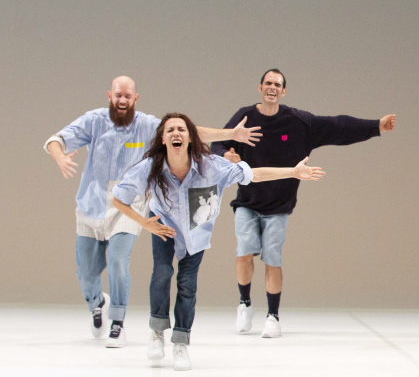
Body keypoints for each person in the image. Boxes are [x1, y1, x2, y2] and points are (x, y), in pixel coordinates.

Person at [45, 76, 260, 348]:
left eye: (128, 96)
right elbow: (57, 140)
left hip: (129, 205)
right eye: (118, 95)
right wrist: (60, 157)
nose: (122, 100)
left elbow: (188, 132)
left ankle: (118, 323)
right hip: (92, 203)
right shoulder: (94, 121)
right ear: (110, 96)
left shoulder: (147, 125)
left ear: (136, 99)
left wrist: (231, 134)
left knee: (119, 262)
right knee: (86, 273)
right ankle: (97, 303)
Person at [112, 113, 325, 370]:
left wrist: (292, 172)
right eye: (170, 130)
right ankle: (157, 332)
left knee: (187, 285)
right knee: (162, 272)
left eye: (182, 129)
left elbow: (253, 174)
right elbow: (118, 198)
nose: (176, 133)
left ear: (191, 137)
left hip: (196, 234)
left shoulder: (211, 166)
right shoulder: (150, 167)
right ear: (163, 138)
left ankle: (180, 342)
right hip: (164, 228)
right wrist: (144, 223)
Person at [211, 69, 396, 338]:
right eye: (268, 83)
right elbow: (218, 143)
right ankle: (245, 304)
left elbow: (337, 126)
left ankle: (273, 317)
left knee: (272, 258)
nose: (272, 88)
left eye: (277, 84)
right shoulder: (245, 116)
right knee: (244, 252)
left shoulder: (298, 122)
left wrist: (376, 126)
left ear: (283, 91)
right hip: (247, 202)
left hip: (279, 206)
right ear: (260, 87)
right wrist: (225, 154)